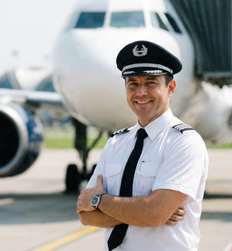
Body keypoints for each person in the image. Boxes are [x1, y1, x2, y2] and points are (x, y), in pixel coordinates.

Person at [76, 40, 208, 251]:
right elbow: (85, 215)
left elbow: (153, 213)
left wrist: (98, 200)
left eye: (151, 83)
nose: (140, 92)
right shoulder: (116, 142)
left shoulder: (183, 142)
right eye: (133, 84)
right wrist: (143, 212)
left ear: (170, 87)